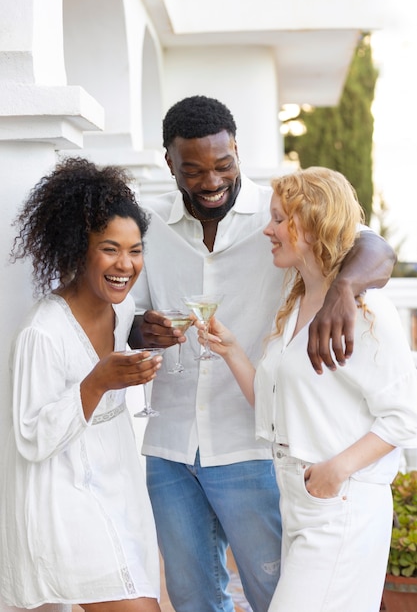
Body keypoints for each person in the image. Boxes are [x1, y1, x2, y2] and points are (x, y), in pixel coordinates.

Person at [128, 96, 396, 612]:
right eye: (194, 170)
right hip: (170, 446)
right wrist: (144, 329)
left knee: (278, 596)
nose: (212, 181)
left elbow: (374, 250)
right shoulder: (148, 223)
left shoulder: (281, 217)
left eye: (223, 165)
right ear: (170, 165)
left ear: (237, 152)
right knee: (191, 598)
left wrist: (343, 290)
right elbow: (129, 311)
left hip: (251, 443)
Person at [196, 166, 417, 612]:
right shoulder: (296, 301)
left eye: (280, 219)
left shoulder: (367, 310)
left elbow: (406, 415)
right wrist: (233, 351)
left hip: (342, 503)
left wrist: (336, 470)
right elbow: (276, 406)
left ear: (312, 224)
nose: (268, 229)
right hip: (298, 499)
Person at [0, 158, 163, 612]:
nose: (125, 265)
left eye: (135, 250)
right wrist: (96, 383)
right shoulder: (43, 333)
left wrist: (146, 334)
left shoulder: (123, 311)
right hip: (63, 500)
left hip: (117, 487)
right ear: (77, 249)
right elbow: (30, 436)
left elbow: (126, 335)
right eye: (110, 249)